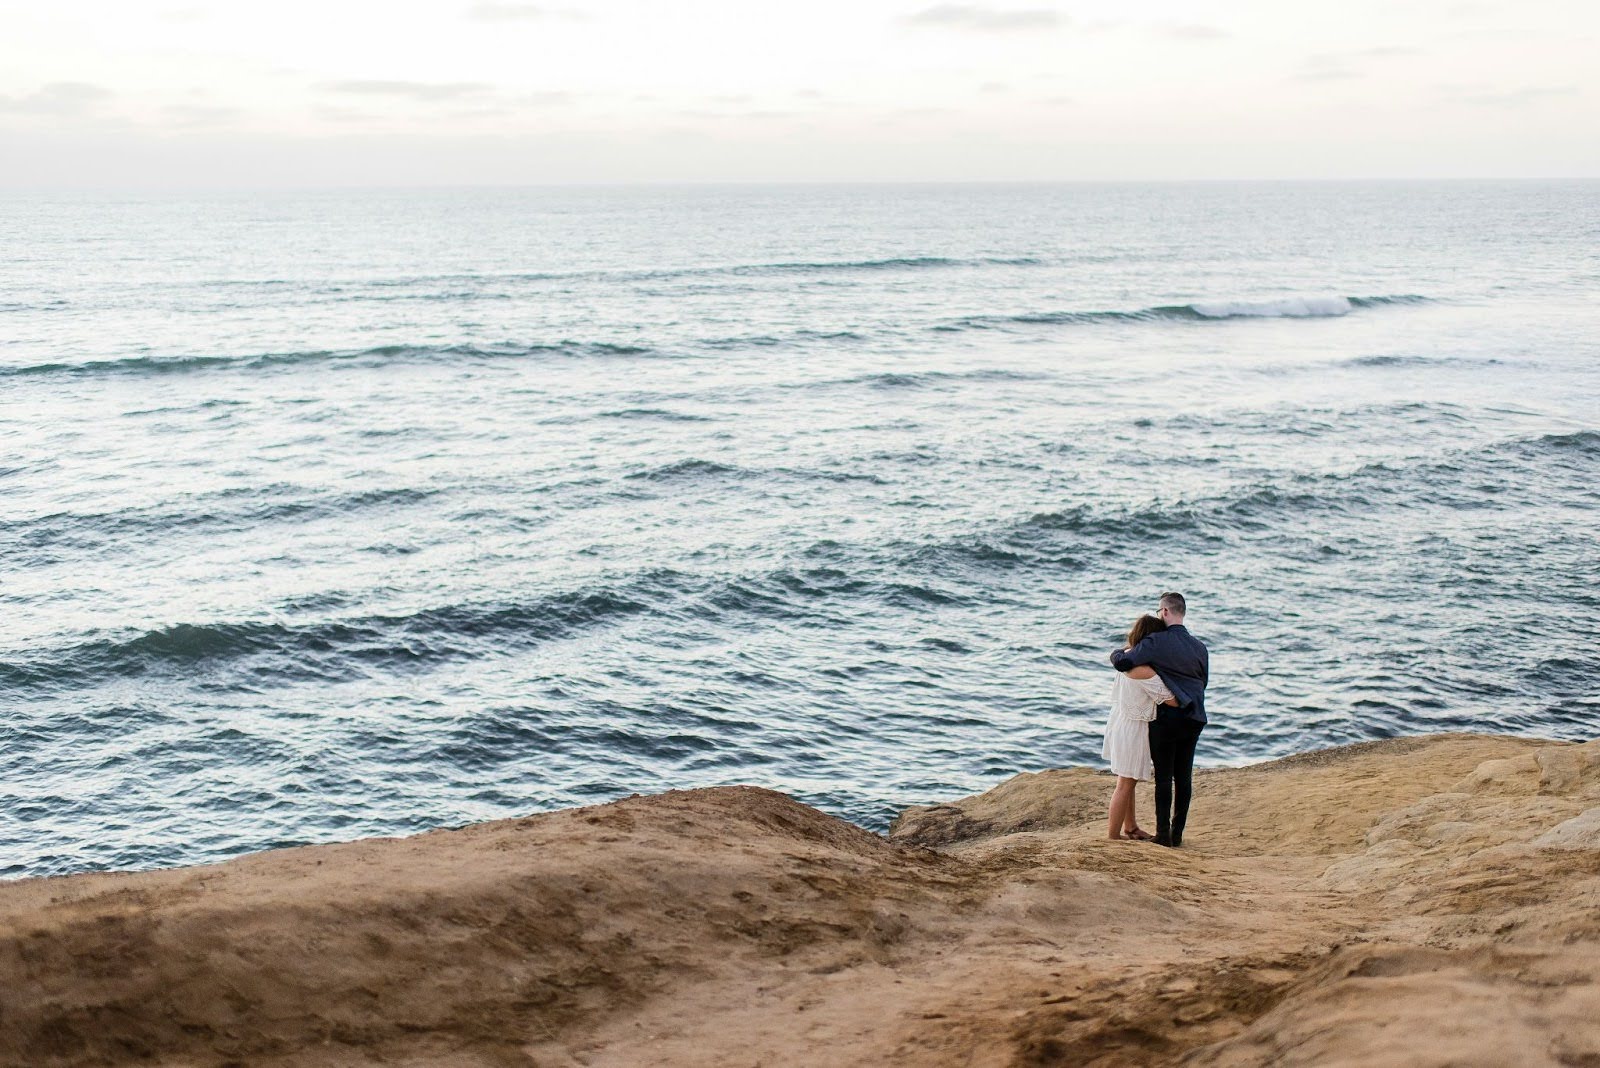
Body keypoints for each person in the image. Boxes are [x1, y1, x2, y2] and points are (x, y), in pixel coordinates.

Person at [1109, 592, 1209, 848]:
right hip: (1195, 717)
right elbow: (1203, 681)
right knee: (1184, 777)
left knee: (1164, 777)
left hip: (1168, 718)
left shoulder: (1156, 641)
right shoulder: (1199, 646)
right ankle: (1177, 834)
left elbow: (1124, 662)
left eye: (1158, 611)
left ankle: (1163, 834)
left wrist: (1116, 652)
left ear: (1164, 612)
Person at [1103, 613, 1179, 841]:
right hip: (1134, 728)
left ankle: (1131, 827)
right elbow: (1171, 700)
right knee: (1125, 784)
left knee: (1127, 780)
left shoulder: (1125, 657)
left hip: (1120, 720)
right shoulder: (1144, 669)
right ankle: (1113, 837)